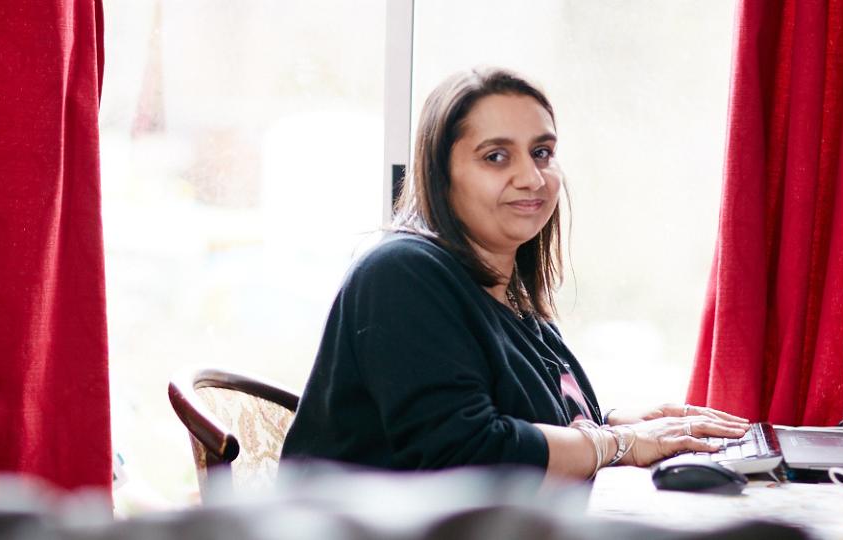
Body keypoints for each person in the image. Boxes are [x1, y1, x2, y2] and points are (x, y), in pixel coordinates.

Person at [281, 67, 749, 480]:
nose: (532, 176)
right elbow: (468, 455)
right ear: (440, 175)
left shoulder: (507, 289)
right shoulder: (400, 275)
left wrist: (621, 423)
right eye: (496, 157)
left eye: (542, 152)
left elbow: (519, 419)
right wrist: (613, 446)